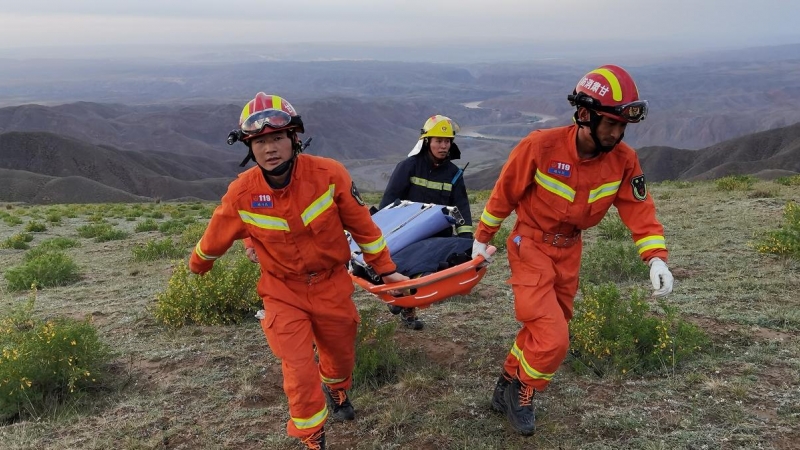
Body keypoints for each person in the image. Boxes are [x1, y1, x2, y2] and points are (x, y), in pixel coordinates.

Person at [189, 92, 409, 450]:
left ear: (294, 139)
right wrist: (198, 265)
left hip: (331, 285)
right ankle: (312, 438)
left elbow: (364, 228)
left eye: (277, 138)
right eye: (259, 141)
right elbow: (215, 236)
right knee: (298, 369)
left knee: (339, 357)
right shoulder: (241, 192)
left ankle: (337, 391)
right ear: (249, 147)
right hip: (282, 292)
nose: (269, 148)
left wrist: (386, 271)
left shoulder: (328, 174)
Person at [471, 65, 674, 436]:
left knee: (543, 329)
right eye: (610, 123)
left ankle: (504, 386)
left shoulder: (624, 159)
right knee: (553, 339)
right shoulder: (540, 146)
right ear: (584, 115)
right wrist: (482, 237)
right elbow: (505, 193)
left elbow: (638, 209)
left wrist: (656, 256)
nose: (616, 133)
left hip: (570, 252)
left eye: (622, 126)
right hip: (529, 245)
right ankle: (523, 393)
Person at [378, 114, 474, 330]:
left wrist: (467, 240)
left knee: (424, 274)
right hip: (406, 233)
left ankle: (405, 304)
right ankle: (405, 307)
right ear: (427, 141)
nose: (443, 146)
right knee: (405, 270)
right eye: (439, 141)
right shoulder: (408, 167)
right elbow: (389, 202)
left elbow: (462, 206)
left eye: (447, 141)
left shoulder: (454, 174)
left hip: (437, 236)